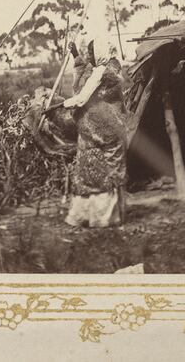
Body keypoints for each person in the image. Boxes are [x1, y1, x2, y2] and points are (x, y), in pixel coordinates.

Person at [59, 37, 127, 227]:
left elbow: (82, 97)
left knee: (102, 174)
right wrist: (74, 54)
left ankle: (104, 218)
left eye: (91, 53)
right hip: (99, 131)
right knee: (98, 173)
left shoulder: (104, 72)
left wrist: (61, 104)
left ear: (99, 54)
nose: (89, 57)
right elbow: (83, 75)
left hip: (104, 132)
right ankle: (97, 216)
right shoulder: (107, 68)